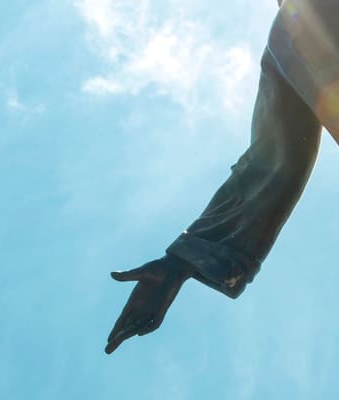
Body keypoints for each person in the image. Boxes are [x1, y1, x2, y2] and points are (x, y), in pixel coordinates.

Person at [106, 47, 321, 354]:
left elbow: (279, 152)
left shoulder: (299, 33)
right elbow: (280, 150)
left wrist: (187, 258)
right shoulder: (297, 37)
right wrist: (185, 260)